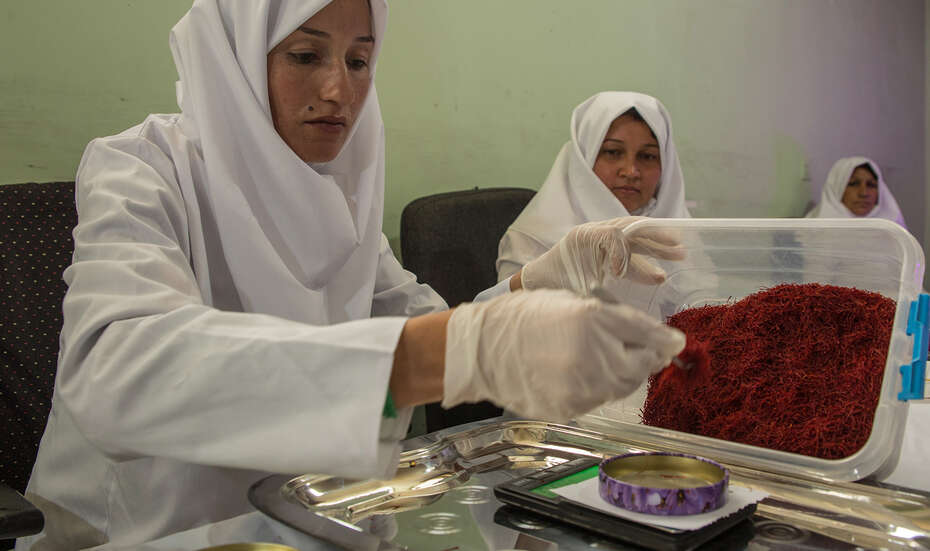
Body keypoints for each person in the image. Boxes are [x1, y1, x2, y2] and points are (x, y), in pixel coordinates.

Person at [17, 1, 685, 549]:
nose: (339, 89)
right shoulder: (141, 169)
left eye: (359, 59)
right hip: (146, 528)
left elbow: (417, 323)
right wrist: (450, 348)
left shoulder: (340, 191)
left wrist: (538, 283)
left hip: (300, 513)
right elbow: (116, 369)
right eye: (306, 55)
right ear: (238, 58)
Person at [497, 91, 691, 282]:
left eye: (648, 156)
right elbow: (498, 311)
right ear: (583, 162)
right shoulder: (532, 239)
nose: (631, 171)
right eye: (613, 152)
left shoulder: (685, 236)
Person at [805, 156, 906, 228]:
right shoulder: (811, 231)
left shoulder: (894, 231)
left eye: (871, 185)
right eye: (853, 184)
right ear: (836, 189)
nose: (863, 193)